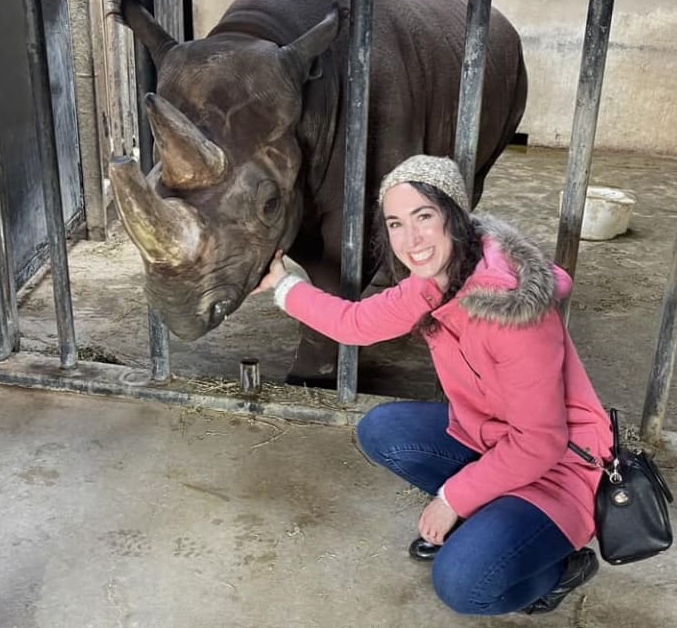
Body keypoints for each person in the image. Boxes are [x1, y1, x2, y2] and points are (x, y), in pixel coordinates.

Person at [254, 154, 612, 616]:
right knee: (383, 429)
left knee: (462, 585)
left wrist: (451, 499)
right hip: (492, 439)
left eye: (424, 216)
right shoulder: (435, 280)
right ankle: (490, 512)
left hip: (559, 467)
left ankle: (561, 567)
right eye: (396, 223)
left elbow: (540, 443)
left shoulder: (511, 311)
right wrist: (283, 286)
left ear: (454, 217)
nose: (412, 240)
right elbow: (355, 323)